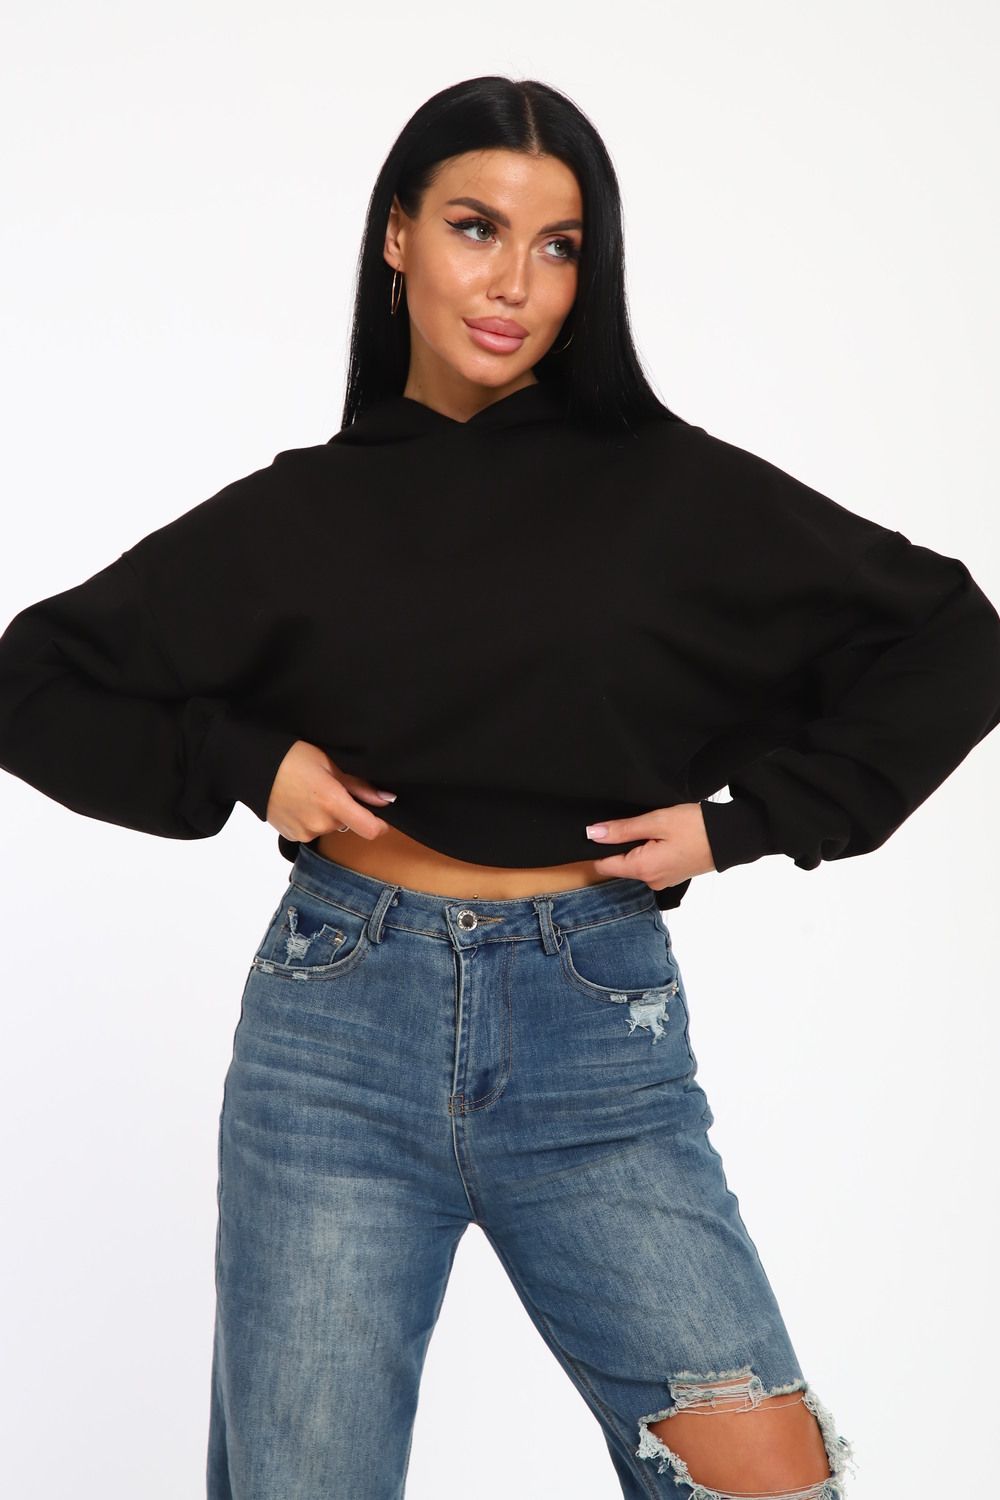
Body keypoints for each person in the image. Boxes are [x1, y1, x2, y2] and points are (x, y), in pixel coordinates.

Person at [2, 75, 999, 1500]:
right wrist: (246, 764)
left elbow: (953, 636)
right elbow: (33, 678)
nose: (515, 283)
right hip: (336, 1037)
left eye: (559, 246)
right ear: (397, 234)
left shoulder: (671, 491)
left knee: (769, 1480)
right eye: (476, 227)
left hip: (594, 1034)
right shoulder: (302, 513)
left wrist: (745, 826)